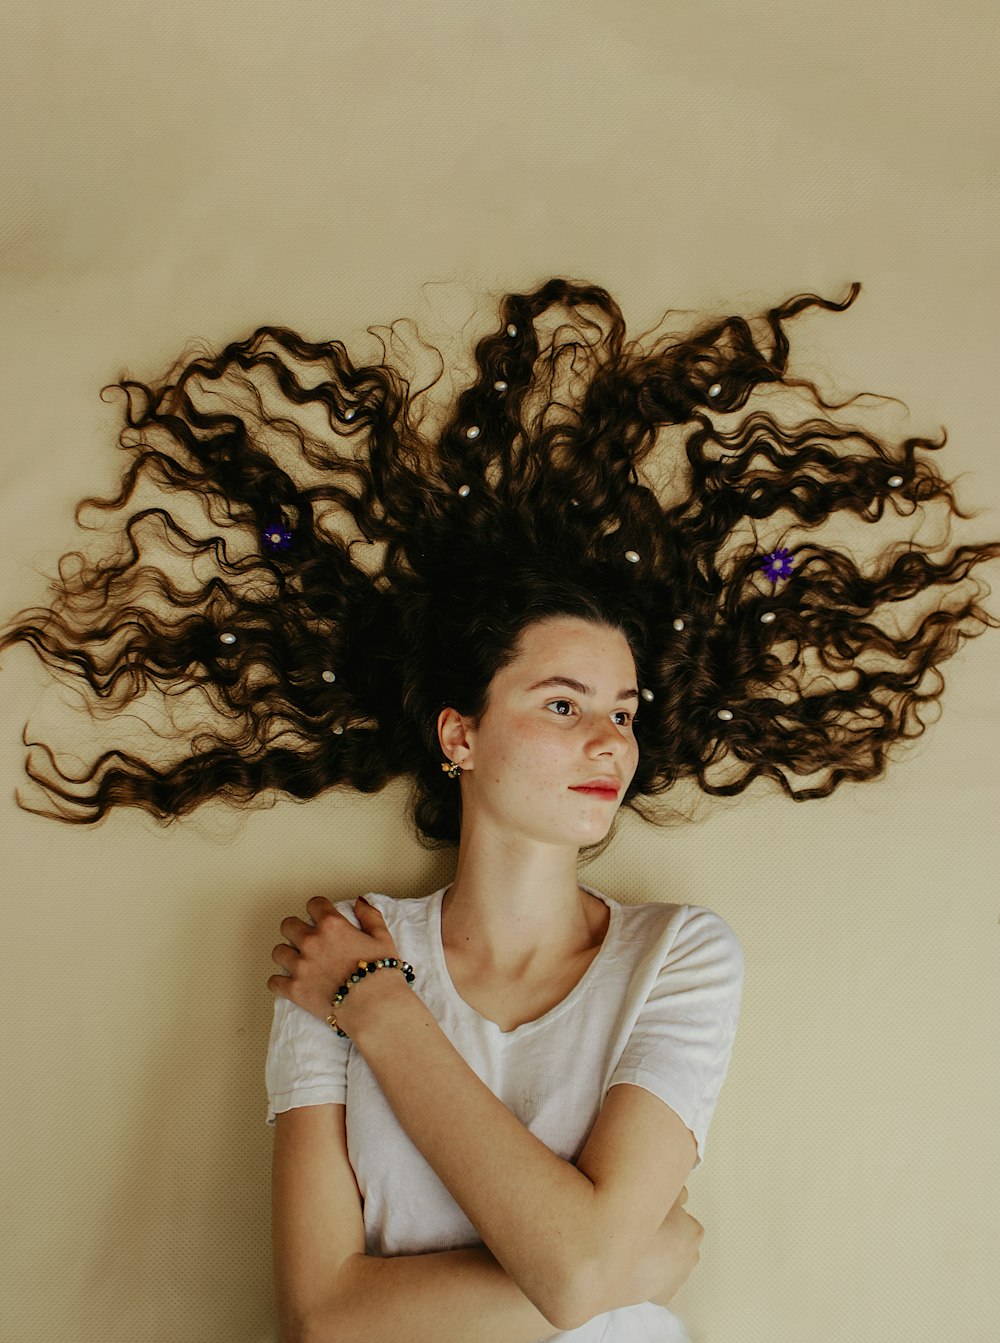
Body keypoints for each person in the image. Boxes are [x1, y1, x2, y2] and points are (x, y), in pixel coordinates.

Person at [2, 277, 998, 1339]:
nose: (609, 739)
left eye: (621, 708)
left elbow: (569, 1278)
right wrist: (634, 1261)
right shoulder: (339, 947)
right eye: (561, 704)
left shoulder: (677, 956)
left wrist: (388, 1016)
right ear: (459, 735)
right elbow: (326, 1322)